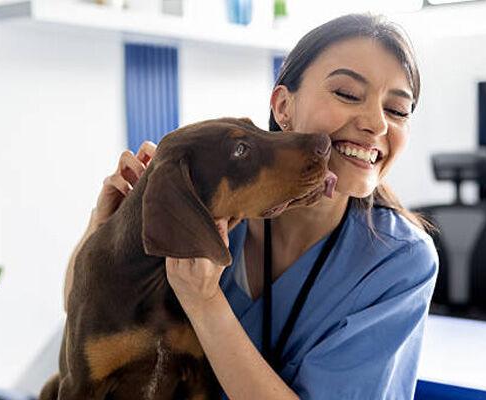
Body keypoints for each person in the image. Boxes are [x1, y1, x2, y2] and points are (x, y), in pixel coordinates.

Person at [64, 13, 438, 400]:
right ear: (283, 106)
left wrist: (205, 302)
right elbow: (83, 315)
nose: (377, 123)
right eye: (347, 93)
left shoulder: (400, 261)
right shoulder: (205, 206)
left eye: (398, 111)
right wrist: (105, 228)